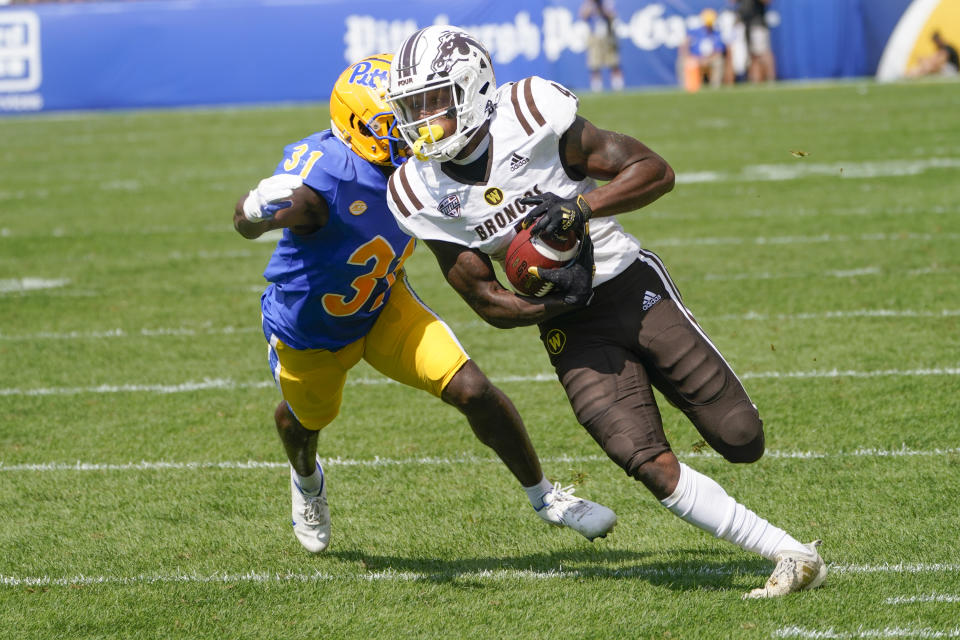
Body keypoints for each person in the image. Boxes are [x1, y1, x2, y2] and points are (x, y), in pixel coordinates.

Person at [384, 25, 826, 598]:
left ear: (473, 88)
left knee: (742, 438)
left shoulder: (531, 112)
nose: (421, 121)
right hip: (568, 324)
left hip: (628, 283)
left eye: (433, 103)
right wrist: (550, 301)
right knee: (642, 458)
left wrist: (579, 208)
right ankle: (788, 552)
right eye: (410, 108)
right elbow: (485, 299)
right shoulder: (416, 190)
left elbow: (654, 170)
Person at [232, 54, 616, 554]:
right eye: (399, 120)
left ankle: (545, 498)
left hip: (386, 305)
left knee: (473, 390)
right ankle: (306, 482)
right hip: (310, 330)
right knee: (302, 422)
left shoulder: (425, 169)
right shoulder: (329, 177)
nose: (419, 128)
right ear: (361, 127)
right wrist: (254, 210)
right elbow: (252, 220)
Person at [678, 8, 731, 91]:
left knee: (719, 61)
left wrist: (707, 60)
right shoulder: (695, 32)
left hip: (710, 59)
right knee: (682, 61)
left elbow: (719, 52)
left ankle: (715, 87)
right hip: (695, 58)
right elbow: (684, 45)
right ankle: (687, 86)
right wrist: (689, 57)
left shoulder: (717, 34)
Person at [579, 0, 625, 91]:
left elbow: (612, 15)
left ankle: (618, 87)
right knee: (594, 65)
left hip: (607, 36)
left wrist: (601, 7)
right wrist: (591, 5)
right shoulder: (589, 3)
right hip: (595, 37)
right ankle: (597, 88)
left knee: (613, 63)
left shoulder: (607, 2)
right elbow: (583, 16)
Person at [733, 0, 775, 82]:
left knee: (763, 54)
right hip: (747, 26)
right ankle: (757, 80)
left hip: (758, 25)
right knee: (753, 56)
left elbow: (767, 1)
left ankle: (771, 78)